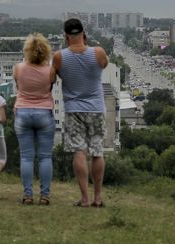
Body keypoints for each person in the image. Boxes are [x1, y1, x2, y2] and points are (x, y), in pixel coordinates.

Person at [53, 18, 109, 208]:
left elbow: (56, 75)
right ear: (84, 33)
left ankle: (84, 198)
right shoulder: (98, 52)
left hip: (73, 109)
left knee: (79, 151)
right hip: (96, 108)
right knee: (97, 151)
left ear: (66, 36)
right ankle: (98, 197)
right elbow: (104, 64)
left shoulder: (59, 57)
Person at [13, 33, 56, 205]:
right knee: (45, 157)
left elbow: (18, 85)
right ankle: (44, 195)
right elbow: (50, 87)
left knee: (26, 157)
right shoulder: (50, 71)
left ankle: (27, 195)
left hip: (23, 113)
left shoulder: (18, 68)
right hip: (44, 113)